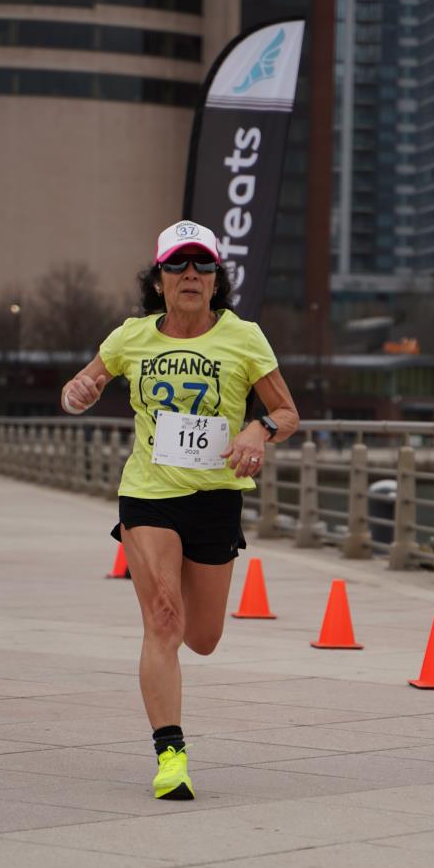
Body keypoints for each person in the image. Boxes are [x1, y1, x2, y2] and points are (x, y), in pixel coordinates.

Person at [61, 219, 299, 801]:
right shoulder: (131, 337)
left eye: (202, 265)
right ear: (159, 279)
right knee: (164, 619)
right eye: (178, 265)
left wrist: (258, 430)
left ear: (217, 279)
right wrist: (76, 393)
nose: (190, 275)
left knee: (204, 637)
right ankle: (170, 754)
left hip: (216, 498)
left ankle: (176, 682)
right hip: (149, 494)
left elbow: (287, 412)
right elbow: (81, 386)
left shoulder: (244, 337)